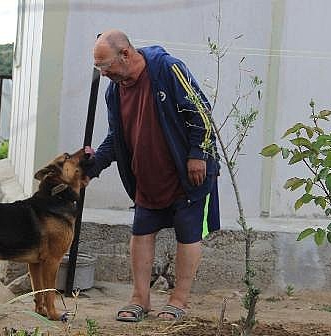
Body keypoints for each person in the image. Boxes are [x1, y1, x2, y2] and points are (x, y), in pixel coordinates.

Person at [84, 29, 220, 322]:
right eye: (99, 69)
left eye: (106, 67)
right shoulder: (114, 91)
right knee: (141, 233)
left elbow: (202, 112)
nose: (104, 74)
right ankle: (139, 299)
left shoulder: (167, 69)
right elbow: (116, 138)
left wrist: (198, 154)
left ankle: (179, 301)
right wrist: (92, 167)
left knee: (188, 234)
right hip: (147, 177)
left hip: (185, 174)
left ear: (125, 54)